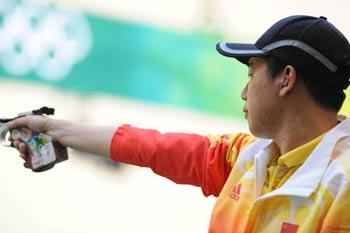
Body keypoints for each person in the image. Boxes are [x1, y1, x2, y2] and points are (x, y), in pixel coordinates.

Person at [6, 15, 350, 233]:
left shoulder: (343, 187)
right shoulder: (248, 155)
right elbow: (149, 146)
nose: (245, 92)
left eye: (251, 74)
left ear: (286, 79)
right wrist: (53, 128)